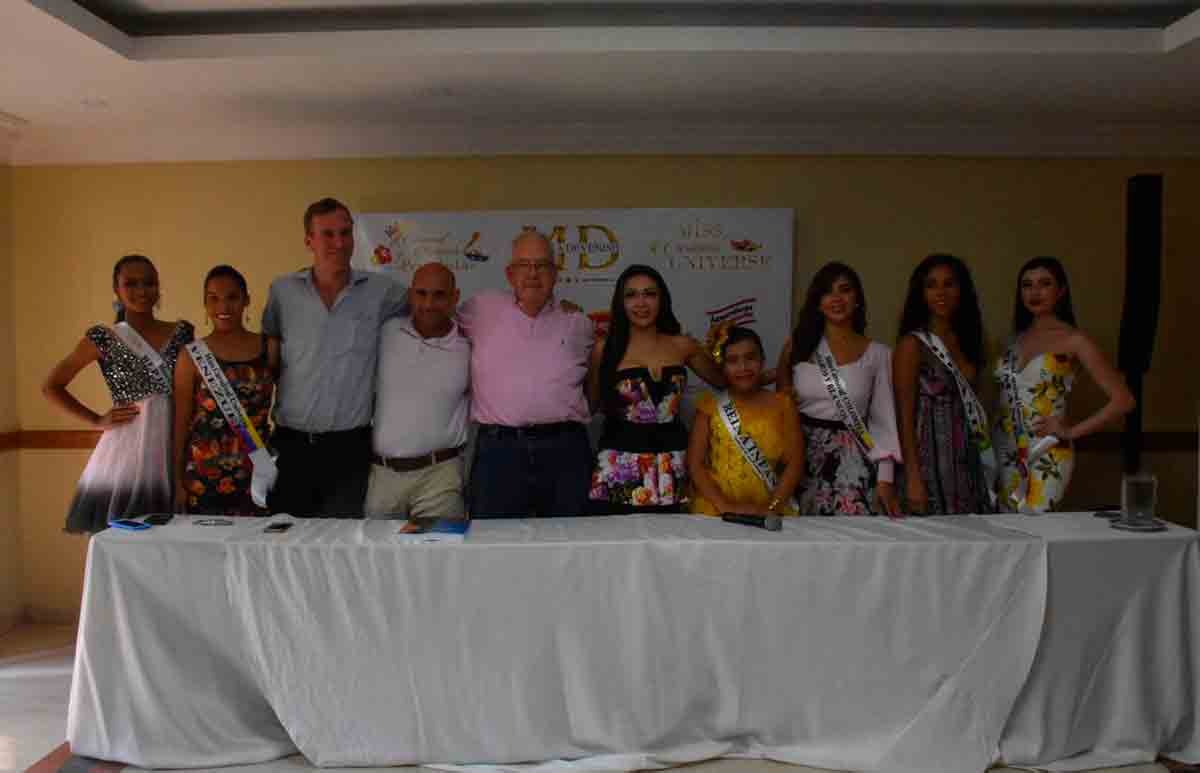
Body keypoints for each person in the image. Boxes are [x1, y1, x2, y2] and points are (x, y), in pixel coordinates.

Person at [262, 197, 408, 517]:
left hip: (350, 450)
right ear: (308, 241)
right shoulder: (282, 292)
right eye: (328, 234)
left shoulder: (385, 293)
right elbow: (266, 366)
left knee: (342, 548)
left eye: (346, 232)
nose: (339, 242)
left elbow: (430, 312)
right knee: (286, 546)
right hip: (292, 447)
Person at [43, 255, 194, 533]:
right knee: (122, 542)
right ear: (116, 290)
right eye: (131, 283)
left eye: (149, 283)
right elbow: (52, 386)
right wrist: (95, 420)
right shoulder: (103, 338)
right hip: (126, 453)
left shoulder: (182, 333)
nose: (141, 290)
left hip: (176, 445)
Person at [458, 229, 594, 517]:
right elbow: (433, 322)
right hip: (499, 452)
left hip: (566, 450)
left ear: (555, 273)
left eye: (542, 265)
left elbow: (596, 385)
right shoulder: (479, 309)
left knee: (570, 545)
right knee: (494, 546)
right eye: (524, 265)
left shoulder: (579, 322)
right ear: (509, 274)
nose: (533, 273)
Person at [992, 256, 1134, 512]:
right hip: (1005, 450)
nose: (1035, 292)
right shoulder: (1011, 341)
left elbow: (1123, 400)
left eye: (1044, 284)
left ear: (1061, 291)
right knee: (1007, 534)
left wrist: (1071, 431)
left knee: (1038, 528)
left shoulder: (1074, 340)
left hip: (1046, 451)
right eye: (1027, 285)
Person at [587, 265, 725, 513]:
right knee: (615, 549)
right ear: (620, 303)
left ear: (662, 299)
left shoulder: (683, 346)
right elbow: (590, 406)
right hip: (619, 468)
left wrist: (779, 374)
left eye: (649, 293)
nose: (641, 303)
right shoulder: (603, 349)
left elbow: (728, 381)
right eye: (631, 295)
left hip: (673, 466)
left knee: (674, 548)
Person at [777, 262, 901, 515]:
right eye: (827, 292)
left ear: (857, 298)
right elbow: (780, 408)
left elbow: (884, 421)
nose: (836, 298)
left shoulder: (879, 354)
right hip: (800, 459)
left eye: (844, 290)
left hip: (853, 463)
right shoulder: (797, 346)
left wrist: (886, 479)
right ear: (818, 302)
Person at [365, 262, 470, 526]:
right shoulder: (386, 333)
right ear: (410, 295)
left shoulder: (469, 346)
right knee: (378, 562)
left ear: (455, 297)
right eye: (421, 293)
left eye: (439, 295)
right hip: (382, 476)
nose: (428, 303)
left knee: (437, 561)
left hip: (440, 478)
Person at [894, 254, 995, 515]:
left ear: (962, 290)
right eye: (931, 285)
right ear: (921, 293)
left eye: (949, 284)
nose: (941, 292)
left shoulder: (970, 341)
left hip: (969, 461)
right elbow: (903, 418)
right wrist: (914, 478)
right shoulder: (912, 345)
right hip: (929, 466)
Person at [173, 265, 277, 516]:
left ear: (246, 300)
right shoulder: (191, 355)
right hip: (203, 475)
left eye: (232, 297)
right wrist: (176, 481)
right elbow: (181, 422)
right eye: (214, 299)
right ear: (205, 304)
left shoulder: (270, 347)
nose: (223, 306)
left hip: (257, 473)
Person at [689, 327, 804, 517]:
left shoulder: (783, 404)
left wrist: (772, 507)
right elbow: (695, 465)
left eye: (750, 358)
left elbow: (795, 463)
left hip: (770, 509)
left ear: (762, 360)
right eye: (733, 361)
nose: (743, 368)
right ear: (722, 367)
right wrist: (726, 507)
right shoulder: (710, 406)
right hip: (718, 510)